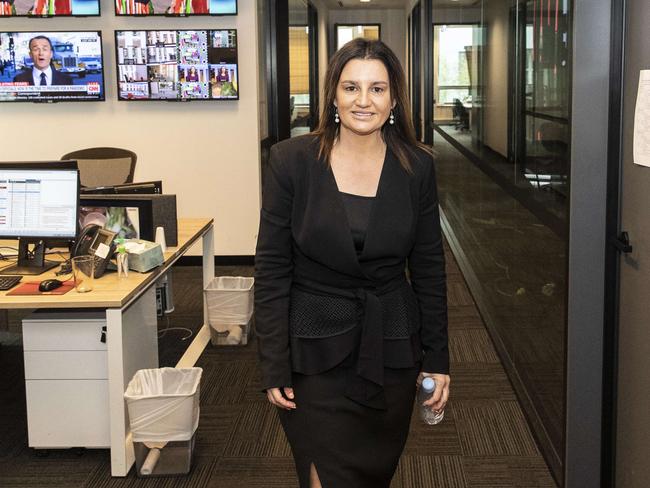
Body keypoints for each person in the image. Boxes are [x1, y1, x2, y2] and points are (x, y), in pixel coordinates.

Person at [255, 38, 450, 488]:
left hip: (392, 345)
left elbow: (428, 268)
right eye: (351, 87)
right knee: (324, 475)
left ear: (394, 98)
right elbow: (270, 269)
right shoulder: (292, 160)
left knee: (372, 475)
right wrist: (273, 363)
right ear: (333, 95)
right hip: (312, 351)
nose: (364, 101)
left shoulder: (417, 166)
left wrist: (438, 357)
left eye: (377, 89)